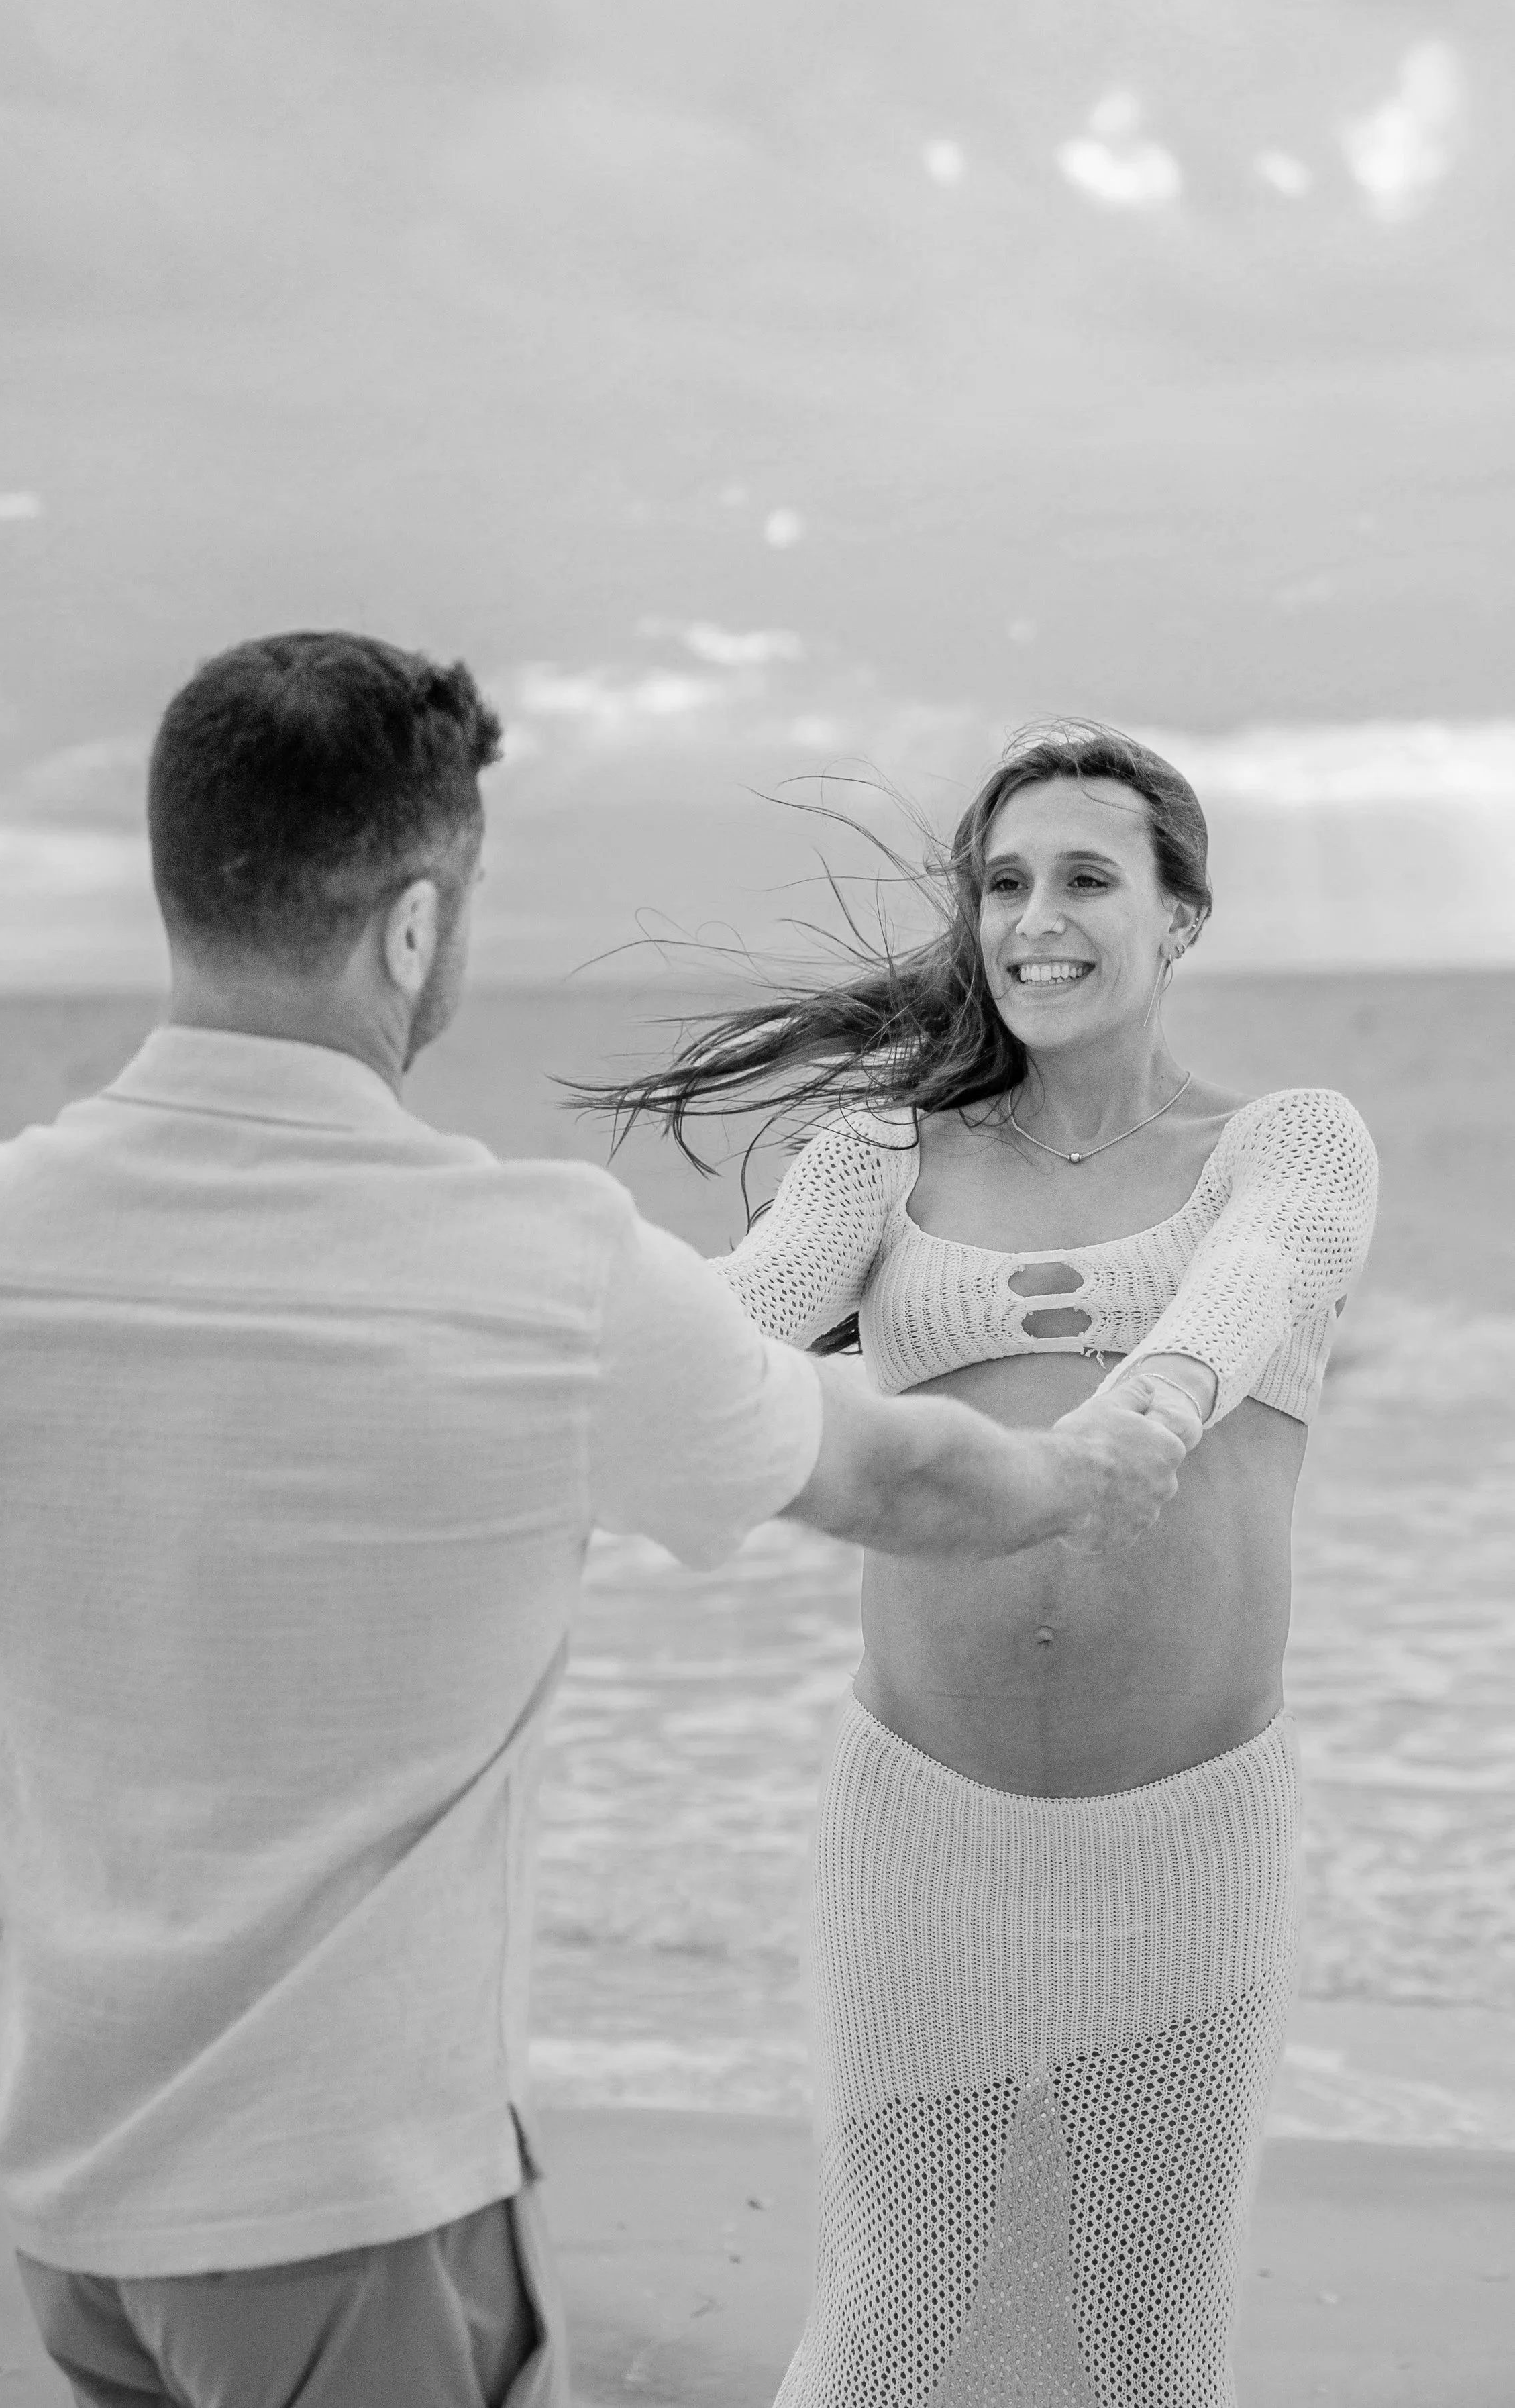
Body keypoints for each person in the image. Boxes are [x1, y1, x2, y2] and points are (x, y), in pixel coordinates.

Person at [0, 644, 1192, 2408]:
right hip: (345, 2207)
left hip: (68, 2205)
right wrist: (1091, 1466)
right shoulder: (533, 1268)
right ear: (414, 925)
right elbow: (894, 1474)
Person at [588, 719, 1379, 2408]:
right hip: (916, 1834)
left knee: (1134, 2346)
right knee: (896, 2316)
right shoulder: (882, 1154)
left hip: (1189, 1840)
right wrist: (522, 1323)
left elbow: (1259, 1276)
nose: (1036, 917)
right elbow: (726, 1330)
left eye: (1087, 878)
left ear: (1179, 918)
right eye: (1002, 883)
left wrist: (1151, 1399)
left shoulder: (1287, 1141)